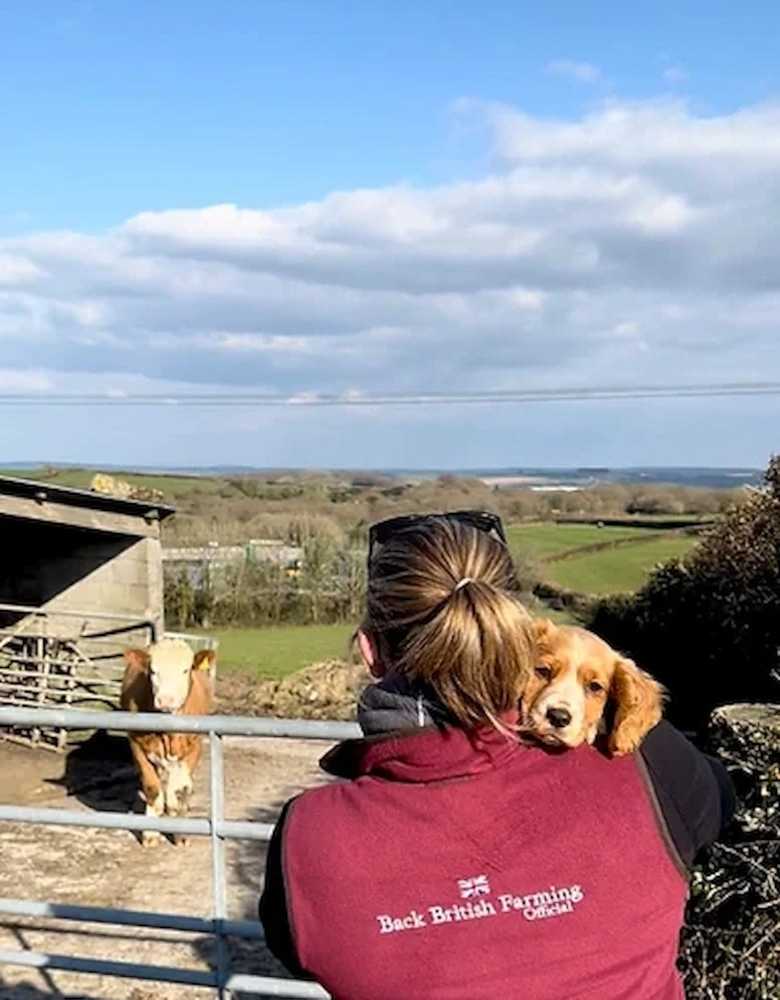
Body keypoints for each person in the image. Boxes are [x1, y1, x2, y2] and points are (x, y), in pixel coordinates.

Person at [259, 510, 735, 1000]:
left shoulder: (308, 839)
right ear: (510, 634)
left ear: (369, 650)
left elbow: (294, 949)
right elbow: (721, 799)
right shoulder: (650, 771)